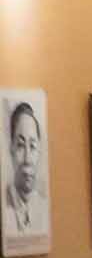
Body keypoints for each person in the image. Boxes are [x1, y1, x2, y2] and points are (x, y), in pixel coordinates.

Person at [4, 98, 41, 242]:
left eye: (32, 146)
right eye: (20, 145)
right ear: (11, 149)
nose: (27, 159)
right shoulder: (5, 208)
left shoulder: (45, 211)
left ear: (39, 151)